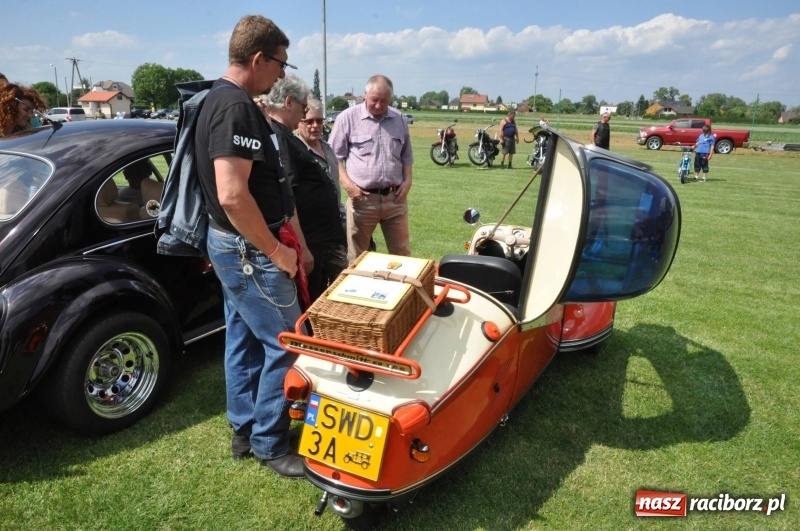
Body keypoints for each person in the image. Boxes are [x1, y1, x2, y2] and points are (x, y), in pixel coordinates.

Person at [194, 14, 305, 478]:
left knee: (241, 337)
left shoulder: (214, 99)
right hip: (249, 250)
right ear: (259, 59)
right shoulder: (235, 106)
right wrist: (277, 252)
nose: (281, 75)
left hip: (230, 245)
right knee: (288, 342)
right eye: (280, 64)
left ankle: (244, 428)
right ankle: (269, 442)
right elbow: (233, 195)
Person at [328, 74, 413, 263]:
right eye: (374, 100)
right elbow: (333, 157)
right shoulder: (347, 118)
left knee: (403, 256)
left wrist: (408, 181)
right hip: (362, 200)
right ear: (365, 95)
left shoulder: (399, 119)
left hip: (395, 200)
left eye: (384, 101)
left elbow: (406, 156)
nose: (379, 105)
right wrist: (349, 186)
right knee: (357, 258)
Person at [293, 98, 348, 300]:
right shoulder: (294, 151)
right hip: (310, 236)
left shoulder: (328, 147)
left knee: (342, 286)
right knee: (314, 291)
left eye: (319, 120)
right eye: (309, 121)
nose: (315, 126)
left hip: (333, 231)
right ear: (299, 121)